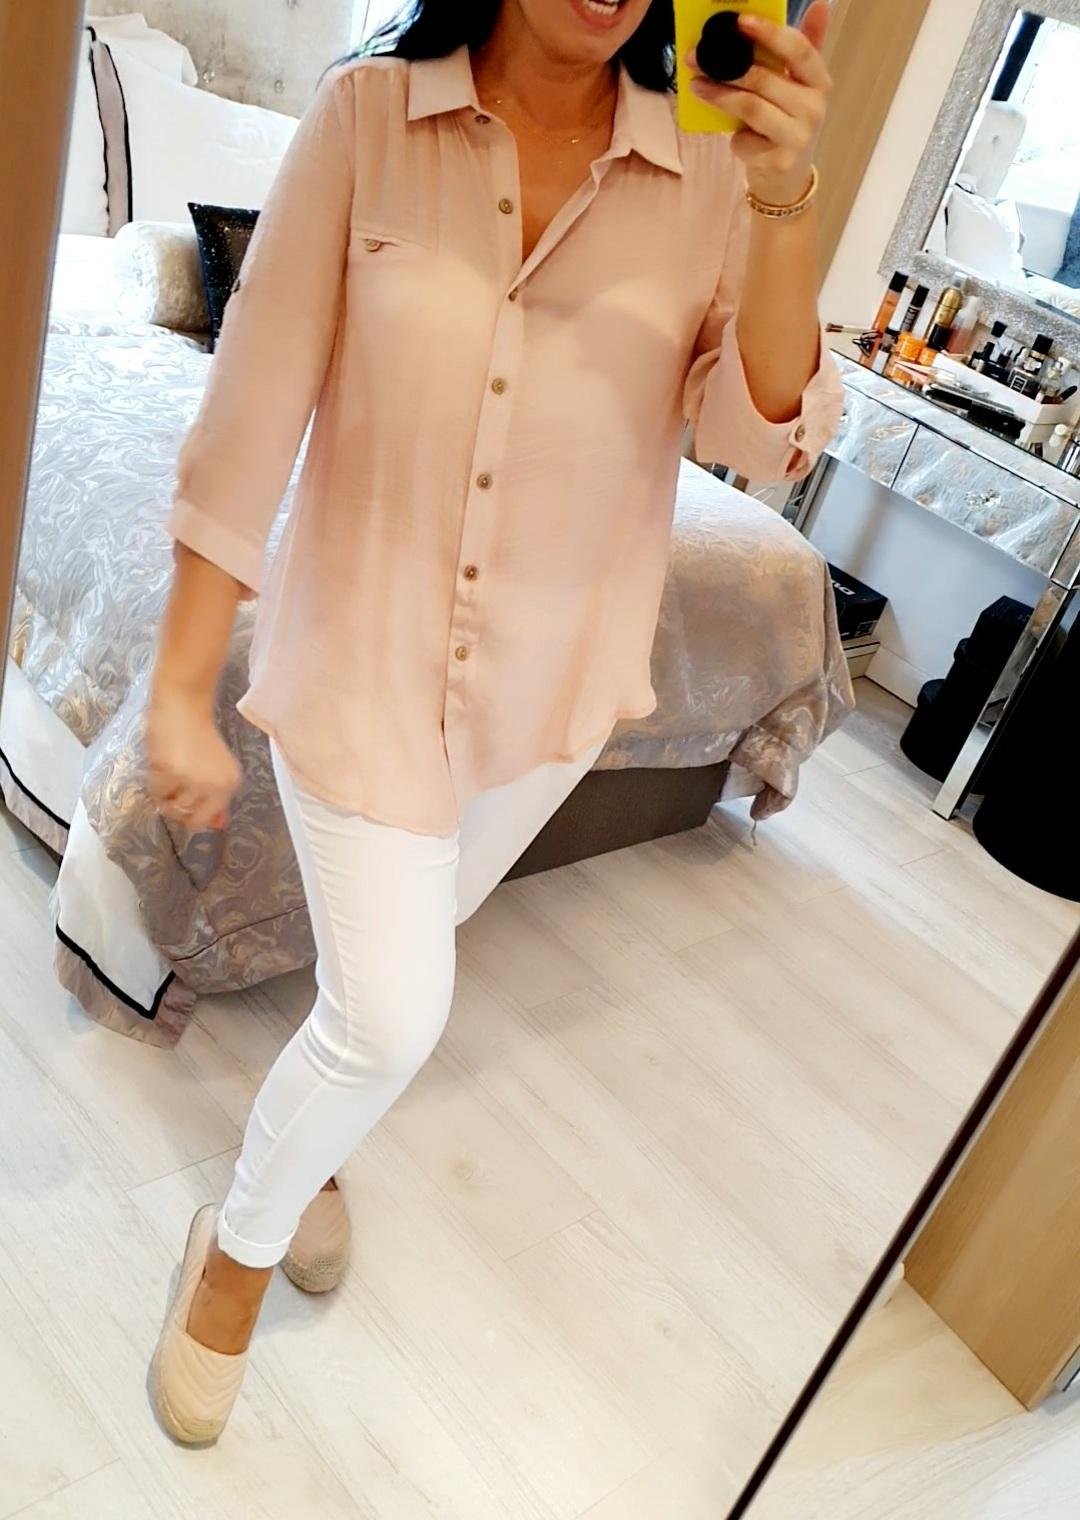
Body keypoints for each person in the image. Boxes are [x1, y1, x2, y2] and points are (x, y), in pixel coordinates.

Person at [147, 0, 841, 1444]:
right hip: (363, 660)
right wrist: (178, 686)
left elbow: (757, 433)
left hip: (549, 695)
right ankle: (233, 1253)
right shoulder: (366, 120)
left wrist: (781, 203)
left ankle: (311, 1148)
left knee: (385, 981)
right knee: (396, 1016)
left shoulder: (707, 172)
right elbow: (251, 411)